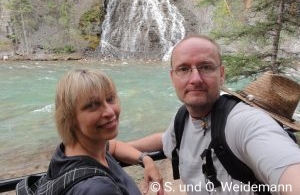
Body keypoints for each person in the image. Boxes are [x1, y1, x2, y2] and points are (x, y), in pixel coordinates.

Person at [128, 35, 300, 195]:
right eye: (184, 69)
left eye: (205, 67)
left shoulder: (243, 122)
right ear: (173, 77)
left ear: (222, 74)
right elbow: (165, 138)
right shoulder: (182, 119)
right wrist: (116, 146)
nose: (195, 79)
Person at [48, 68, 164, 195]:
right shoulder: (98, 189)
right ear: (70, 118)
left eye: (110, 99)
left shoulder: (69, 151)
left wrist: (145, 159)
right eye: (92, 105)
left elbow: (114, 146)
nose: (109, 112)